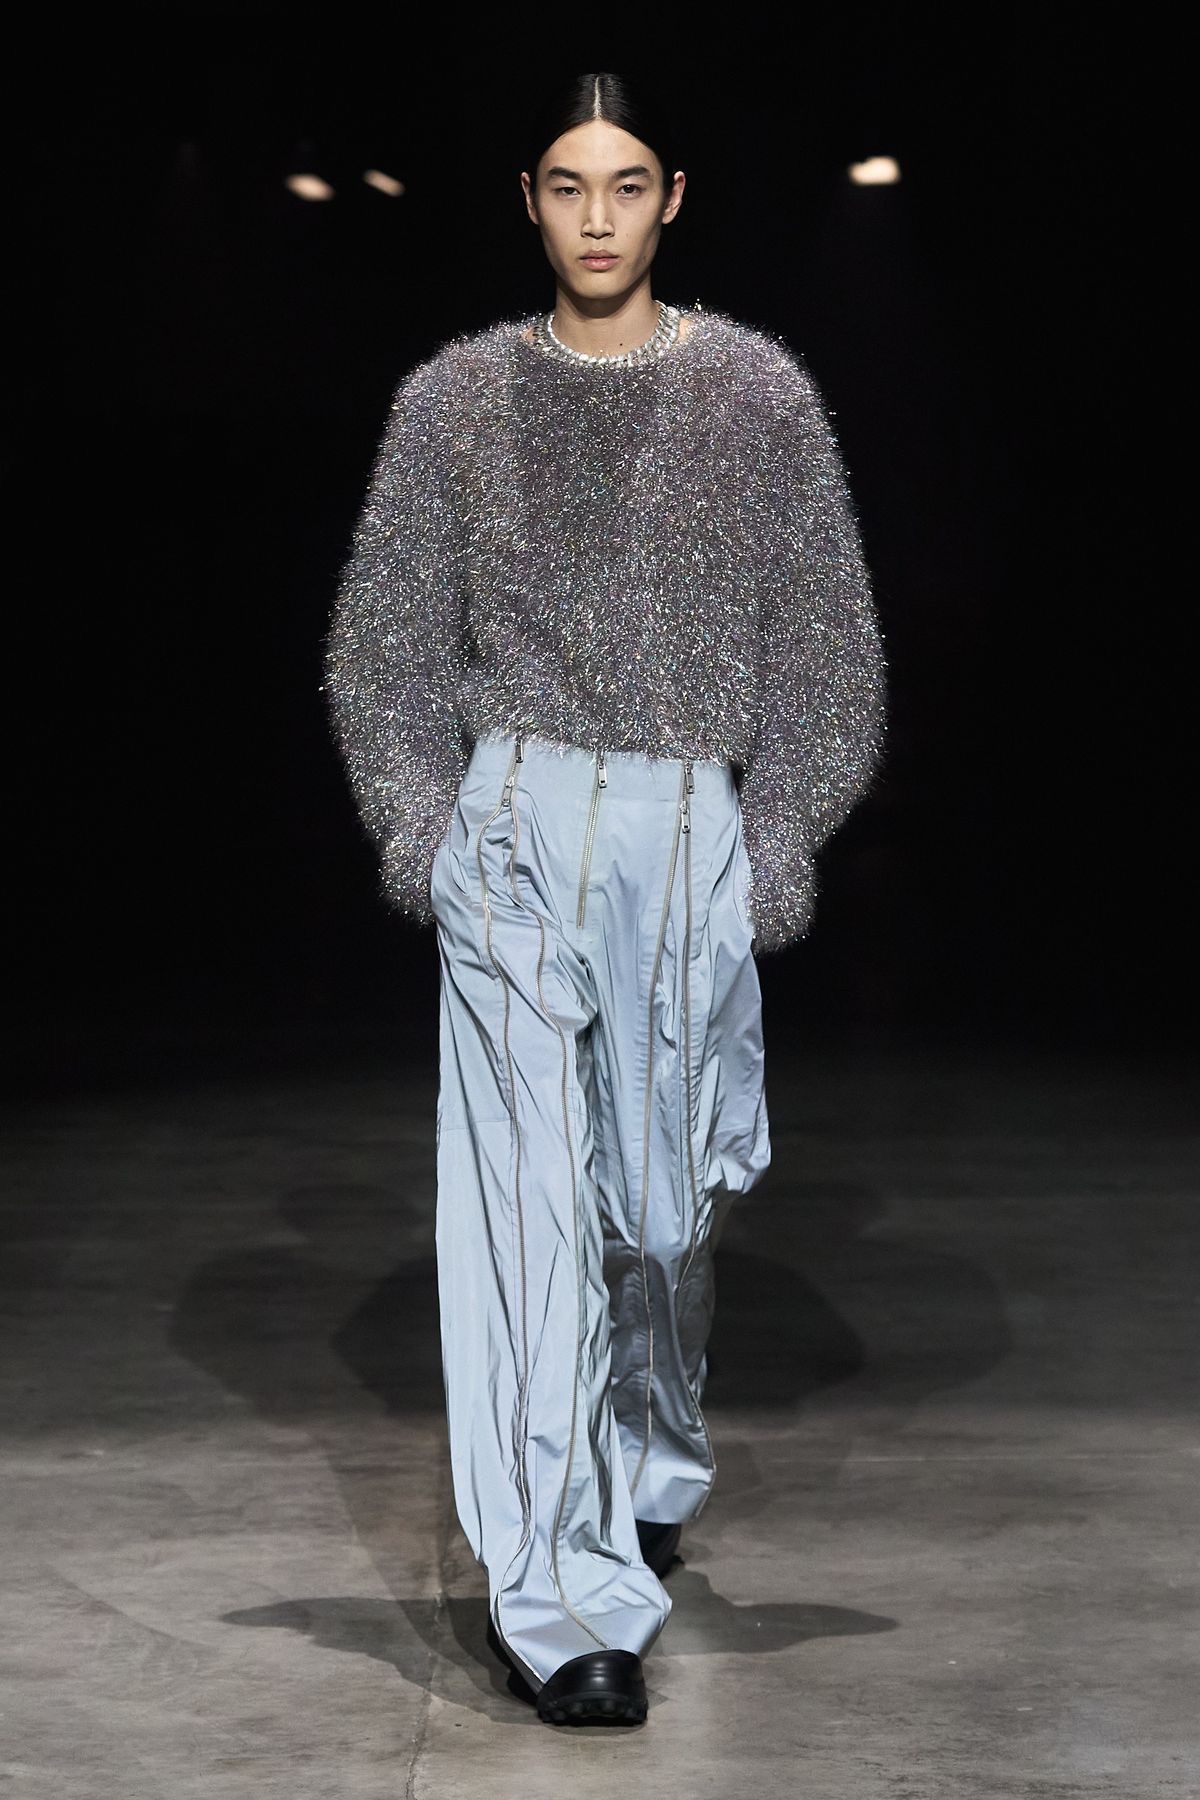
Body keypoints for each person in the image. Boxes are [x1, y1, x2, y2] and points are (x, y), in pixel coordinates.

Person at [321, 70, 888, 1727]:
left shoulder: (758, 397)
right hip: (510, 821)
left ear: (672, 197)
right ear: (527, 198)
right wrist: (427, 836)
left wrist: (771, 845)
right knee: (525, 1227)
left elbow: (830, 654)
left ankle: (647, 1455)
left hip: (684, 828)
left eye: (625, 184)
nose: (595, 217)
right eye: (566, 185)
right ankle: (561, 1601)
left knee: (658, 1214)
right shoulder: (452, 403)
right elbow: (381, 649)